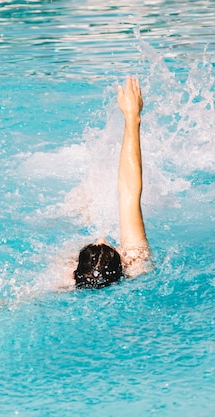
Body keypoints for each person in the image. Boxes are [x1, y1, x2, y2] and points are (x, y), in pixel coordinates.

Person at [73, 77, 151, 289]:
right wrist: (132, 117)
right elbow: (129, 191)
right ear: (122, 264)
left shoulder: (62, 282)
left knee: (79, 203)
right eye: (109, 245)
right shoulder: (136, 263)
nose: (102, 236)